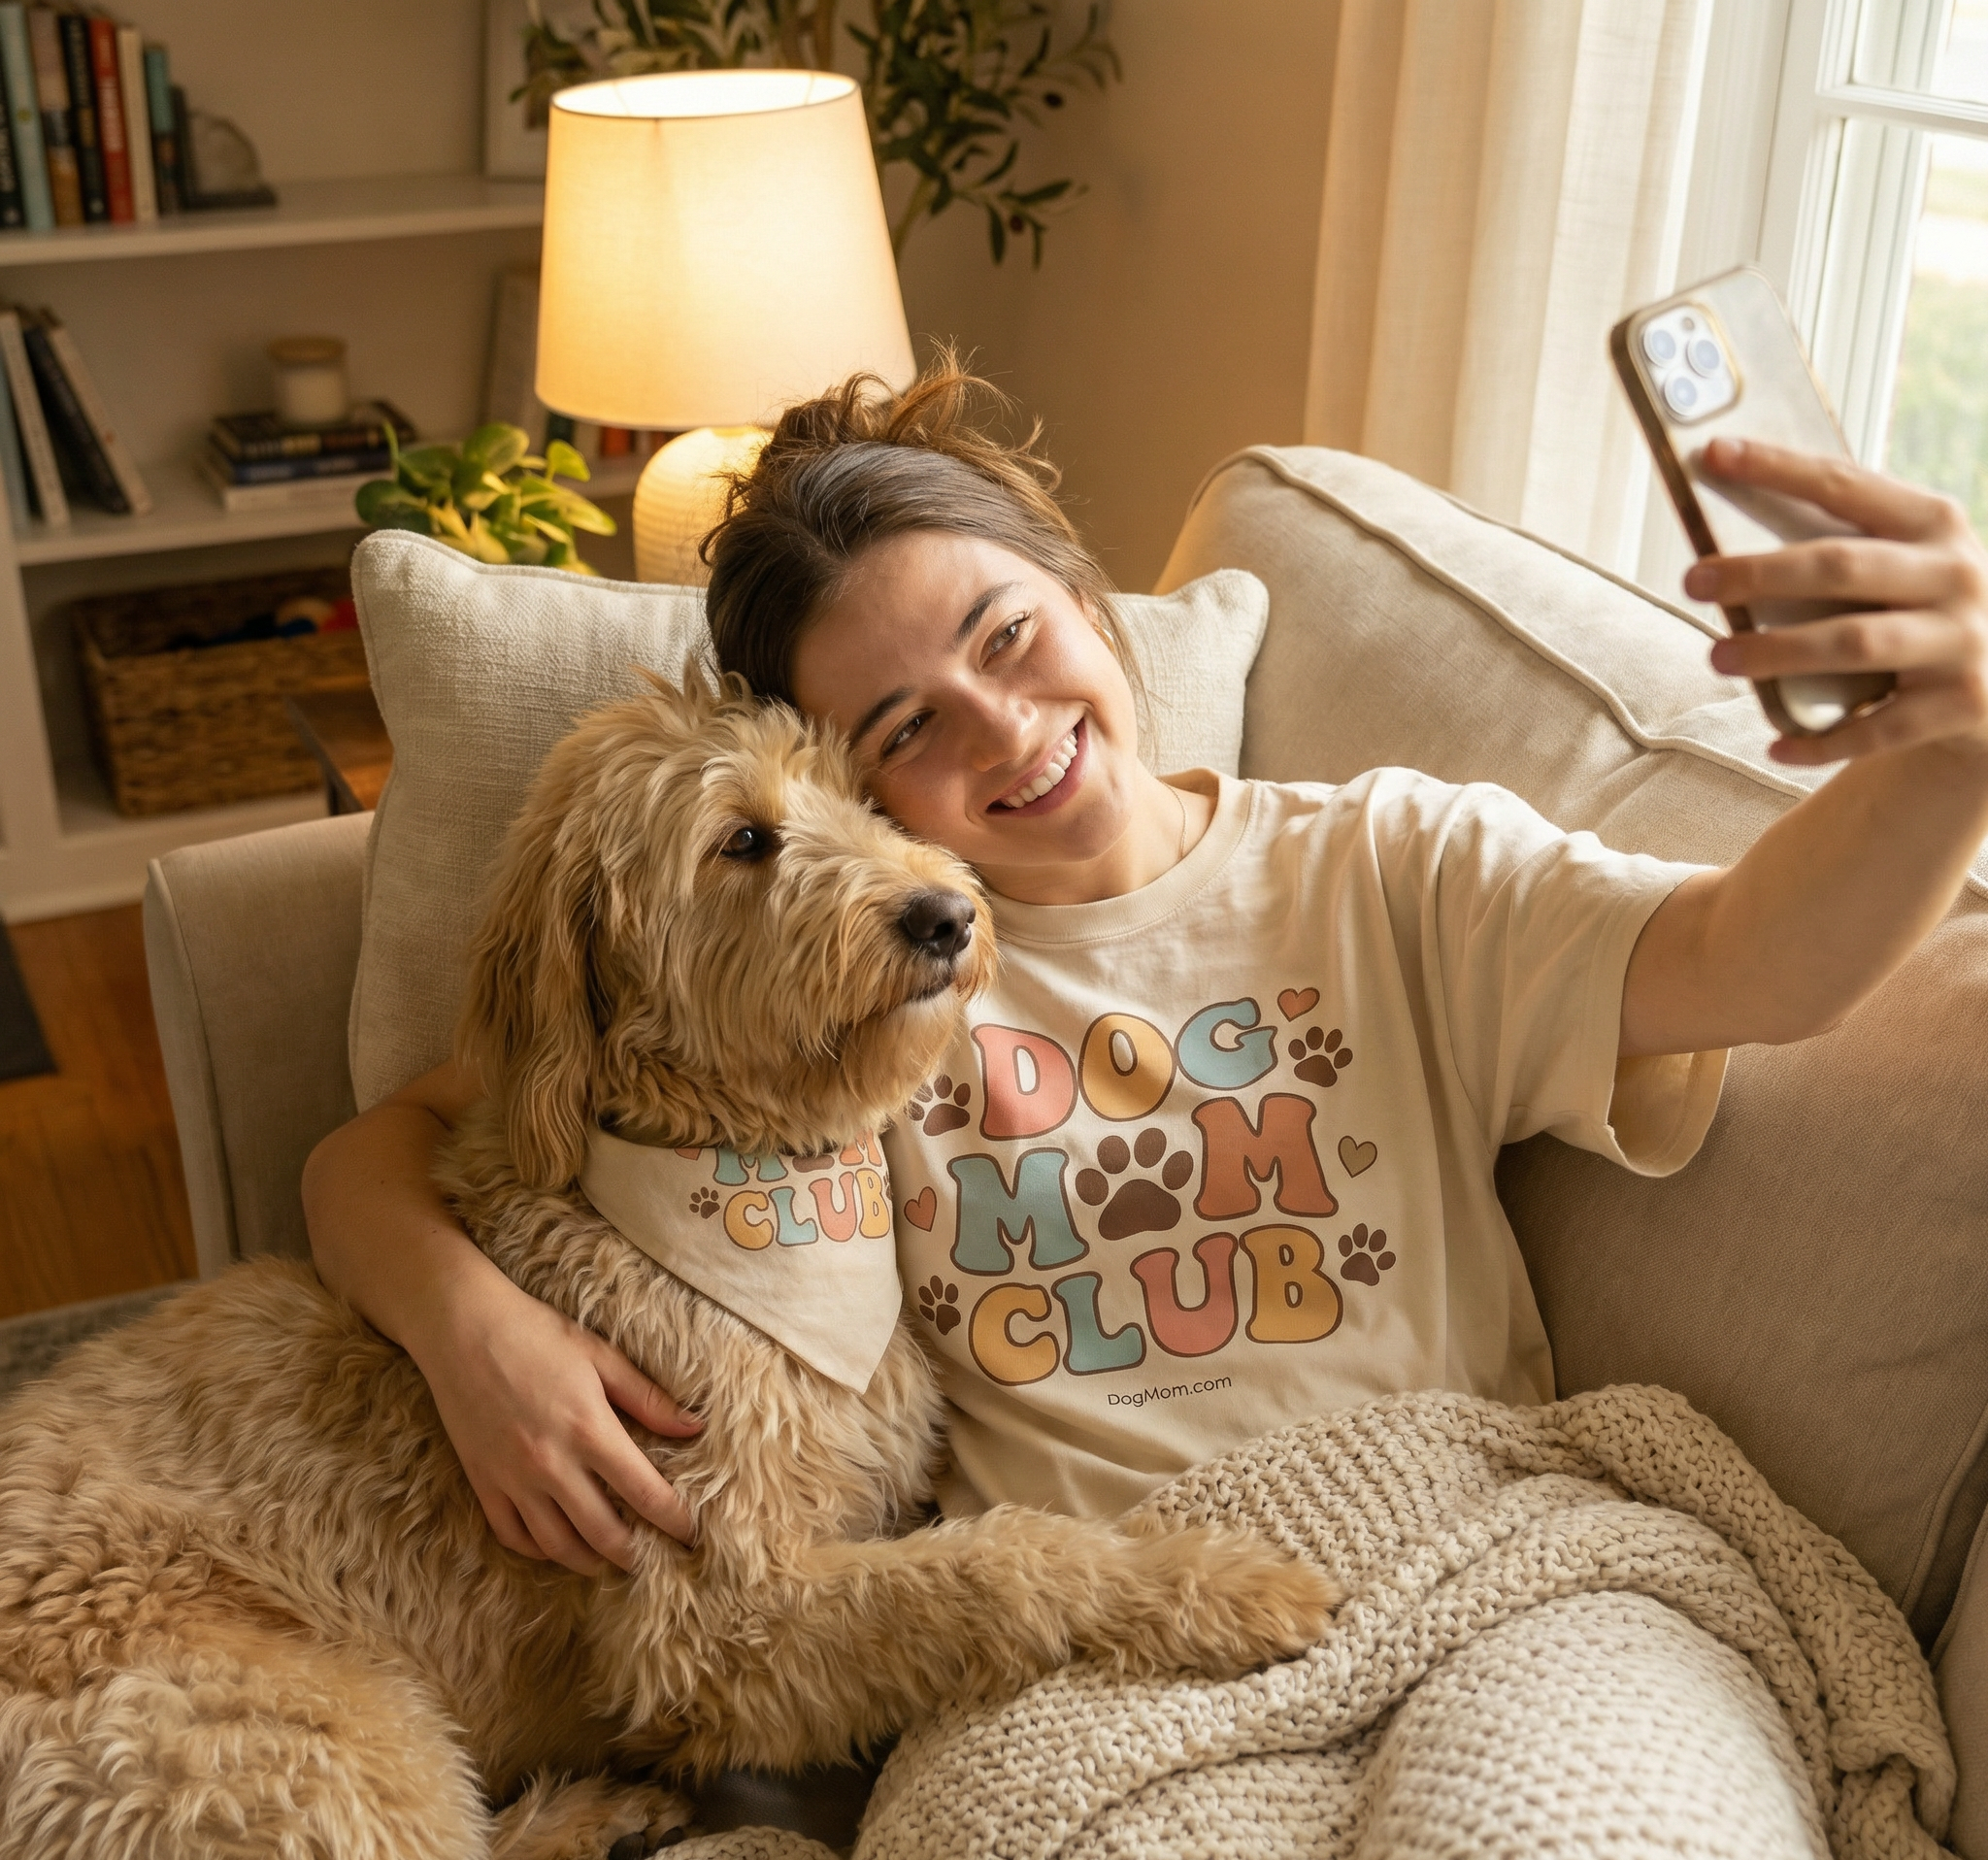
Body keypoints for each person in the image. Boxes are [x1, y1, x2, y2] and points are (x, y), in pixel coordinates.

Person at [303, 355, 1988, 1578]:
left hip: (1460, 1556)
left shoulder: (1384, 863)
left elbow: (1759, 960)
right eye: (908, 728)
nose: (1009, 730)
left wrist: (1950, 742)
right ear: (842, 788)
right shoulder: (841, 1000)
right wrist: (470, 1335)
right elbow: (390, 1146)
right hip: (1092, 1635)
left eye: (1009, 635)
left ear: (1085, 595)